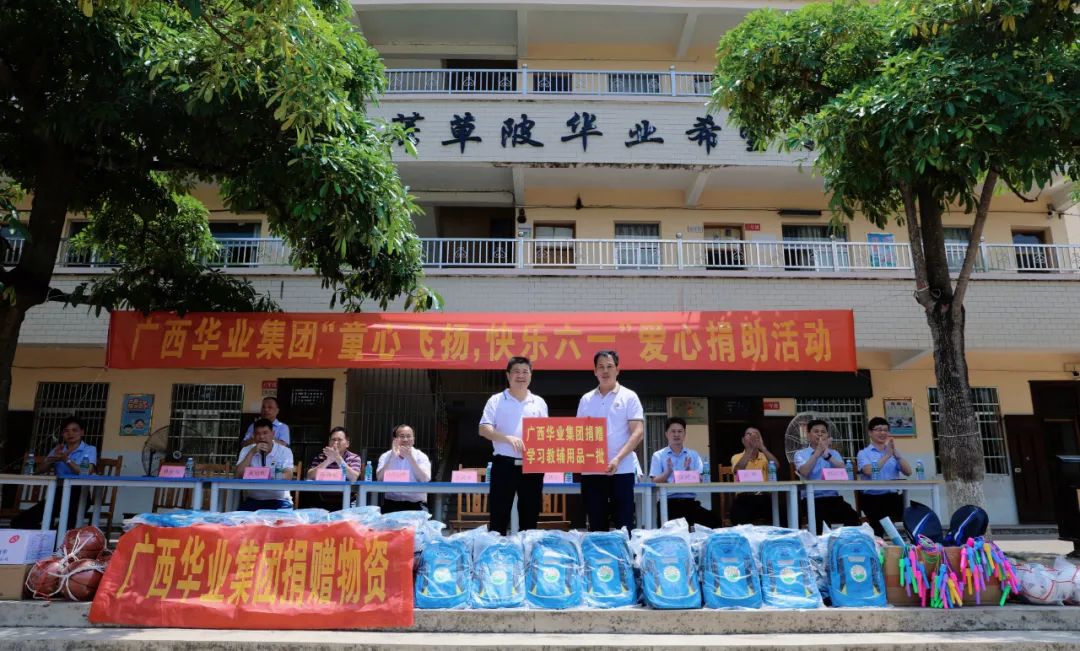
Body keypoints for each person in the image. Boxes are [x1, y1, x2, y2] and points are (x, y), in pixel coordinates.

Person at [479, 356, 549, 535]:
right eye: (516, 371)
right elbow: (484, 429)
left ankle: (527, 551)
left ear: (531, 375)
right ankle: (498, 552)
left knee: (530, 517)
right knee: (498, 516)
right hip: (504, 464)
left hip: (532, 466)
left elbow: (547, 434)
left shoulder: (539, 402)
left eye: (525, 372)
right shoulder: (496, 400)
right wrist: (506, 438)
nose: (521, 376)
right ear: (508, 375)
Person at [577, 350, 644, 531]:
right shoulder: (586, 399)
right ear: (595, 371)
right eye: (601, 367)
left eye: (609, 366)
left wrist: (617, 459)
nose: (605, 371)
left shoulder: (629, 396)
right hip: (592, 471)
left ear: (617, 370)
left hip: (621, 470)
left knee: (624, 524)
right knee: (596, 525)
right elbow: (578, 433)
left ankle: (624, 552)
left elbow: (638, 432)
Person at [13, 416, 97, 529]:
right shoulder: (58, 449)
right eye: (66, 431)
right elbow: (38, 471)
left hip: (79, 495)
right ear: (62, 434)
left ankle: (54, 534)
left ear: (82, 432)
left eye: (74, 430)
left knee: (65, 528)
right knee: (18, 522)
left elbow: (85, 472)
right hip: (58, 494)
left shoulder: (89, 449)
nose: (70, 434)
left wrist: (66, 459)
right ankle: (49, 534)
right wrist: (50, 460)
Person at [650, 417, 720, 528]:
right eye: (673, 431)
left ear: (684, 434)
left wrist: (689, 470)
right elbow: (654, 481)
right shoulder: (658, 455)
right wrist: (668, 472)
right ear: (666, 434)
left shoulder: (693, 455)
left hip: (689, 502)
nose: (676, 435)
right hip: (668, 503)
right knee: (673, 532)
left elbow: (700, 480)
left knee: (715, 521)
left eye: (680, 431)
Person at [794, 418, 860, 532]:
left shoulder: (834, 453)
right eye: (816, 431)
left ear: (827, 435)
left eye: (823, 431)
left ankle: (842, 540)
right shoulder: (800, 454)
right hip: (811, 499)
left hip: (833, 498)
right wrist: (817, 453)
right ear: (808, 435)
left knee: (853, 516)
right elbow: (804, 472)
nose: (820, 434)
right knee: (819, 519)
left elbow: (845, 472)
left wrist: (828, 456)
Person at [857, 416, 913, 536]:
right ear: (870, 432)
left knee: (912, 513)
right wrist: (887, 455)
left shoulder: (893, 452)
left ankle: (906, 543)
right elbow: (869, 471)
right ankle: (883, 541)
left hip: (893, 497)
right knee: (879, 521)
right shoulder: (863, 453)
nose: (882, 433)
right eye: (878, 430)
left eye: (885, 430)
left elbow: (908, 472)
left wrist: (897, 456)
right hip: (872, 498)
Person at [235, 417, 294, 510]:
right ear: (253, 436)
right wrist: (252, 452)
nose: (261, 437)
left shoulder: (284, 451)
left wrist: (268, 475)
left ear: (273, 434)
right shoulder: (246, 450)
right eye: (257, 433)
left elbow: (288, 475)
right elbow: (238, 475)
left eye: (265, 433)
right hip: (253, 500)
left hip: (279, 500)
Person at [729, 426, 779, 525]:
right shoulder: (737, 457)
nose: (752, 437)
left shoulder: (765, 456)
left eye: (756, 435)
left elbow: (776, 466)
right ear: (743, 440)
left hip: (763, 497)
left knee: (783, 513)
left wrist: (763, 448)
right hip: (744, 498)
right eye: (749, 434)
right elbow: (738, 470)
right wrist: (749, 449)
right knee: (736, 515)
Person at [376, 424, 431, 513]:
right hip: (392, 502)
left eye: (408, 436)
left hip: (416, 504)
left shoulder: (421, 456)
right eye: (402, 436)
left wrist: (411, 458)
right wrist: (392, 458)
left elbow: (424, 480)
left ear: (413, 440)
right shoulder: (386, 456)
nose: (405, 439)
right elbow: (380, 478)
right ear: (395, 440)